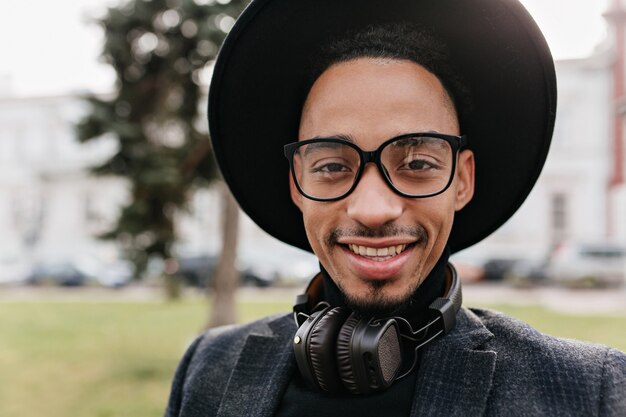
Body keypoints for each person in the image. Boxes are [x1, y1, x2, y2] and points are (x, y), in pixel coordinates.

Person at [164, 0, 626, 416]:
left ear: (462, 181)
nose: (373, 208)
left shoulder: (589, 391)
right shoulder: (208, 369)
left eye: (418, 163)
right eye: (332, 166)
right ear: (297, 183)